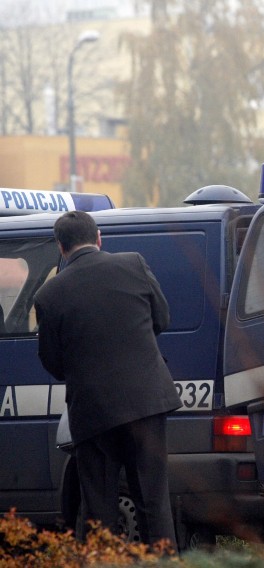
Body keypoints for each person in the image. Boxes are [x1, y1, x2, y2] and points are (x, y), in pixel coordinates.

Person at [34, 210, 181, 547]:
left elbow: (53, 363)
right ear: (99, 237)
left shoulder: (49, 295)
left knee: (100, 509)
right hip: (146, 403)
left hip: (93, 413)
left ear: (61, 246)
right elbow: (162, 318)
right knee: (154, 501)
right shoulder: (134, 264)